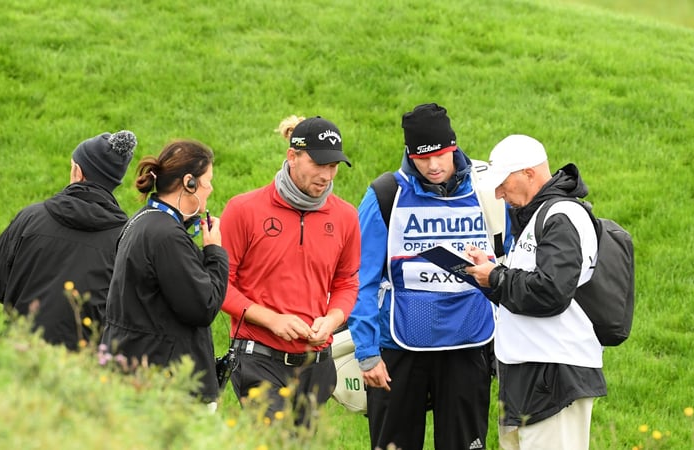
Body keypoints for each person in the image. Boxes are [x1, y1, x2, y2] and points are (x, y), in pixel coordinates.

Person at [348, 103, 512, 450]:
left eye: (441, 154)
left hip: (468, 343)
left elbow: (513, 262)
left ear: (453, 146)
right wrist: (366, 351)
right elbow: (360, 278)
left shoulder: (486, 192)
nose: (434, 166)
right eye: (423, 158)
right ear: (409, 154)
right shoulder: (385, 194)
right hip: (399, 347)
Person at [465, 134, 607, 450]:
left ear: (529, 173)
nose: (499, 194)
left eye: (504, 183)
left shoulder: (561, 216)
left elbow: (552, 292)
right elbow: (525, 292)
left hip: (554, 377)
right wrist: (486, 276)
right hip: (527, 375)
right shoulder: (536, 218)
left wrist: (498, 276)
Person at [220, 115, 361, 426]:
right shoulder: (243, 210)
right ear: (292, 157)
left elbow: (347, 282)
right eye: (319, 164)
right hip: (259, 359)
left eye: (333, 166)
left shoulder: (345, 217)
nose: (327, 175)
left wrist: (333, 319)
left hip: (316, 364)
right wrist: (272, 320)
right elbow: (220, 287)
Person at [101, 139, 228, 404]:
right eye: (208, 181)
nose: (211, 189)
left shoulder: (140, 220)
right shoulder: (167, 237)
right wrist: (214, 252)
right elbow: (202, 307)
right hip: (168, 388)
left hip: (137, 375)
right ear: (189, 183)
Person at [0, 130, 137, 350]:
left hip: (20, 351)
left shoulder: (30, 218)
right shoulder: (126, 238)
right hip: (82, 368)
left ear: (77, 171)